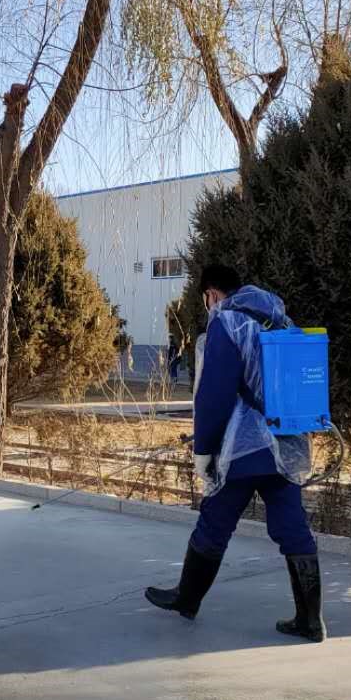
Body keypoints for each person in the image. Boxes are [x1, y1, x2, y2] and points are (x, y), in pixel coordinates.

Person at [145, 264, 326, 642]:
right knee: (292, 528)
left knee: (215, 522)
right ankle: (311, 620)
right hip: (285, 444)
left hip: (243, 449)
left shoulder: (226, 323)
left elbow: (215, 394)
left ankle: (186, 599)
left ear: (211, 294)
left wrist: (204, 448)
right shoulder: (280, 321)